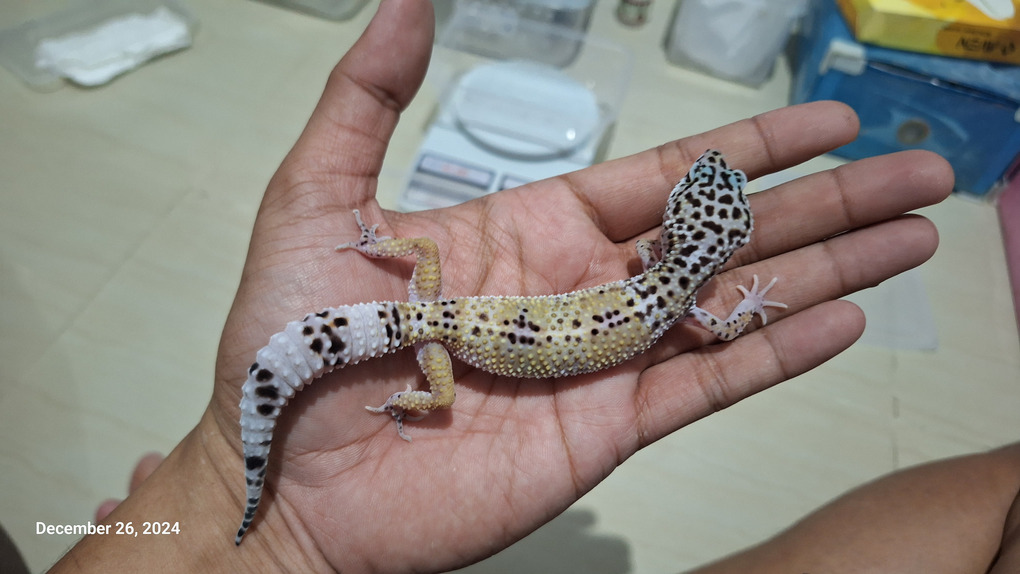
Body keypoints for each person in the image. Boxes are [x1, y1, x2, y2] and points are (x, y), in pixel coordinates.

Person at [46, 0, 1018, 572]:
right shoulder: (680, 294)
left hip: (449, 318)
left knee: (409, 354)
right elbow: (719, 330)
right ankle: (277, 449)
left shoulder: (651, 271)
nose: (697, 186)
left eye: (698, 196)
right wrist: (746, 308)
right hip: (451, 336)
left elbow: (678, 298)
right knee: (420, 389)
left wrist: (385, 248)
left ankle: (265, 452)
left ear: (684, 228)